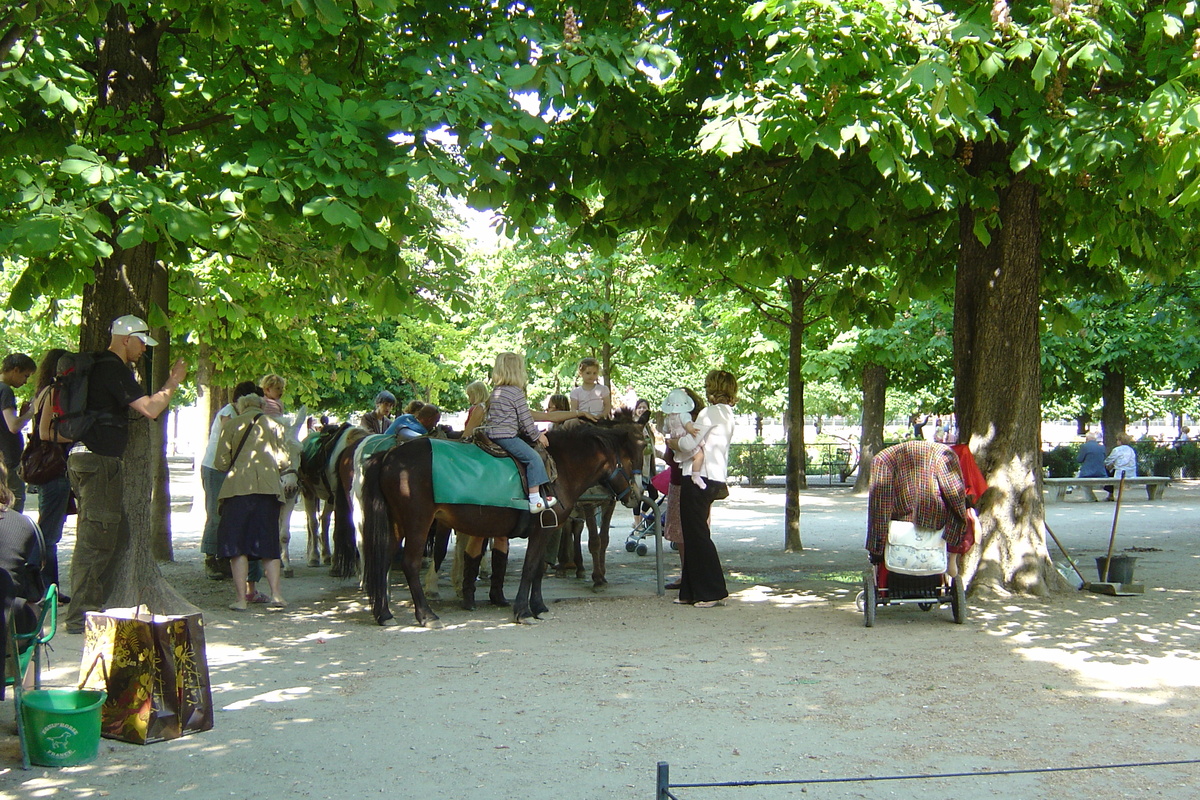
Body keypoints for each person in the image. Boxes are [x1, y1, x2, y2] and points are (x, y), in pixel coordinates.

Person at [65, 314, 187, 634]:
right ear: (125, 339)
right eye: (142, 342)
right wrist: (173, 381)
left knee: (115, 535)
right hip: (98, 462)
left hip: (86, 460)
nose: (144, 349)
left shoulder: (100, 367)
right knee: (97, 540)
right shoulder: (112, 368)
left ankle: (92, 607)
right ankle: (81, 616)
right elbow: (150, 408)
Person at [214, 393, 299, 611]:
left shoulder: (231, 424)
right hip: (269, 492)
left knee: (237, 546)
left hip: (237, 490)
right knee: (269, 545)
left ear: (241, 407)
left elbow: (221, 462)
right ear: (262, 406)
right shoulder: (275, 425)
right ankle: (277, 595)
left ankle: (242, 599)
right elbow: (284, 461)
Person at [670, 371, 737, 608]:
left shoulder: (708, 413)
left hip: (698, 477)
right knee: (694, 533)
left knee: (697, 536)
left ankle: (712, 591)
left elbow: (690, 442)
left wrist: (672, 442)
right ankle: (690, 590)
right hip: (715, 477)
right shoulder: (728, 414)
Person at [866, 440, 971, 576]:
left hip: (897, 528)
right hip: (935, 525)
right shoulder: (942, 455)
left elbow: (880, 507)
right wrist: (955, 532)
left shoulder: (884, 459)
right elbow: (955, 495)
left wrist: (876, 547)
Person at [199, 381, 263, 581]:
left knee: (229, 515)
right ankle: (211, 559)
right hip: (216, 469)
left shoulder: (242, 415)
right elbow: (231, 441)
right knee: (215, 513)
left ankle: (225, 558)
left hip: (229, 469)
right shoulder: (229, 413)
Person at [484, 352, 557, 513]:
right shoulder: (516, 393)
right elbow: (525, 420)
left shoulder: (496, 391)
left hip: (492, 435)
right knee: (533, 458)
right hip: (507, 437)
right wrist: (538, 435)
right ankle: (535, 500)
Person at [27, 349, 72, 600]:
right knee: (49, 534)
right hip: (53, 468)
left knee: (50, 531)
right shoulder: (54, 392)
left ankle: (45, 587)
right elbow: (45, 433)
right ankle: (42, 587)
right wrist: (77, 437)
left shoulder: (43, 392)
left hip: (50, 468)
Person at [0, 463, 46, 659]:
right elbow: (33, 583)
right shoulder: (22, 523)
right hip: (11, 624)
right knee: (33, 605)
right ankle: (26, 685)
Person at [0, 353, 37, 512]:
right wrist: (30, 413)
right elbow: (13, 426)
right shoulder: (5, 391)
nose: (25, 381)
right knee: (14, 505)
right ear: (15, 370)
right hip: (8, 460)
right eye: (25, 375)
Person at [662, 388, 707, 488]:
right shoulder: (686, 417)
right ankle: (696, 476)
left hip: (680, 477)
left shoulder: (669, 418)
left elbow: (665, 430)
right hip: (679, 478)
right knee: (699, 455)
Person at [1103, 431, 1138, 501]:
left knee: (1107, 471)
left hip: (1121, 473)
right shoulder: (1131, 450)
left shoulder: (1117, 450)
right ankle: (1110, 494)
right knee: (1112, 470)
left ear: (1120, 441)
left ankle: (1110, 494)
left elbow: (1108, 461)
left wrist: (1108, 464)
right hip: (1131, 473)